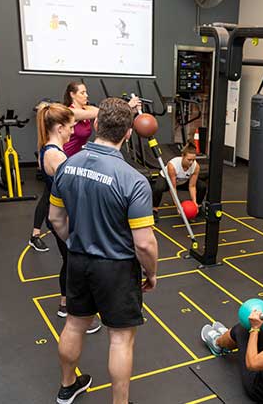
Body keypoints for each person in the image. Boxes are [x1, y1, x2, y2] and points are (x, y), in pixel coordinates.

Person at [49, 98, 159, 404]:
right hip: (116, 267)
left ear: (96, 125)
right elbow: (144, 243)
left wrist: (78, 243)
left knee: (74, 323)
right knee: (121, 339)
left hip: (78, 260)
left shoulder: (67, 165)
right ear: (127, 134)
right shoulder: (133, 181)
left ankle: (68, 385)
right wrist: (151, 273)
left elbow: (56, 219)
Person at [28, 82, 140, 250]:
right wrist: (126, 107)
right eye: (82, 92)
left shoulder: (86, 111)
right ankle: (36, 233)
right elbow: (104, 113)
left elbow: (100, 113)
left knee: (54, 196)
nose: (86, 95)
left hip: (75, 157)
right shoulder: (70, 112)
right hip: (67, 158)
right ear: (72, 95)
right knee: (52, 197)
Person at [35, 103, 102, 333]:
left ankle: (65, 304)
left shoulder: (47, 148)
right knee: (76, 265)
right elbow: (74, 192)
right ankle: (77, 313)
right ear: (60, 128)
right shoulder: (56, 156)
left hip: (61, 215)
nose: (74, 132)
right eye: (71, 128)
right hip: (63, 217)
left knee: (69, 260)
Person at [151, 142, 207, 219]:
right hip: (167, 180)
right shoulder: (172, 166)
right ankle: (154, 210)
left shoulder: (196, 167)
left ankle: (199, 207)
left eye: (193, 160)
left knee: (202, 186)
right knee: (158, 188)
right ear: (182, 156)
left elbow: (192, 186)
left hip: (183, 181)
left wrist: (194, 203)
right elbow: (173, 188)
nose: (191, 162)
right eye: (189, 160)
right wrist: (178, 206)